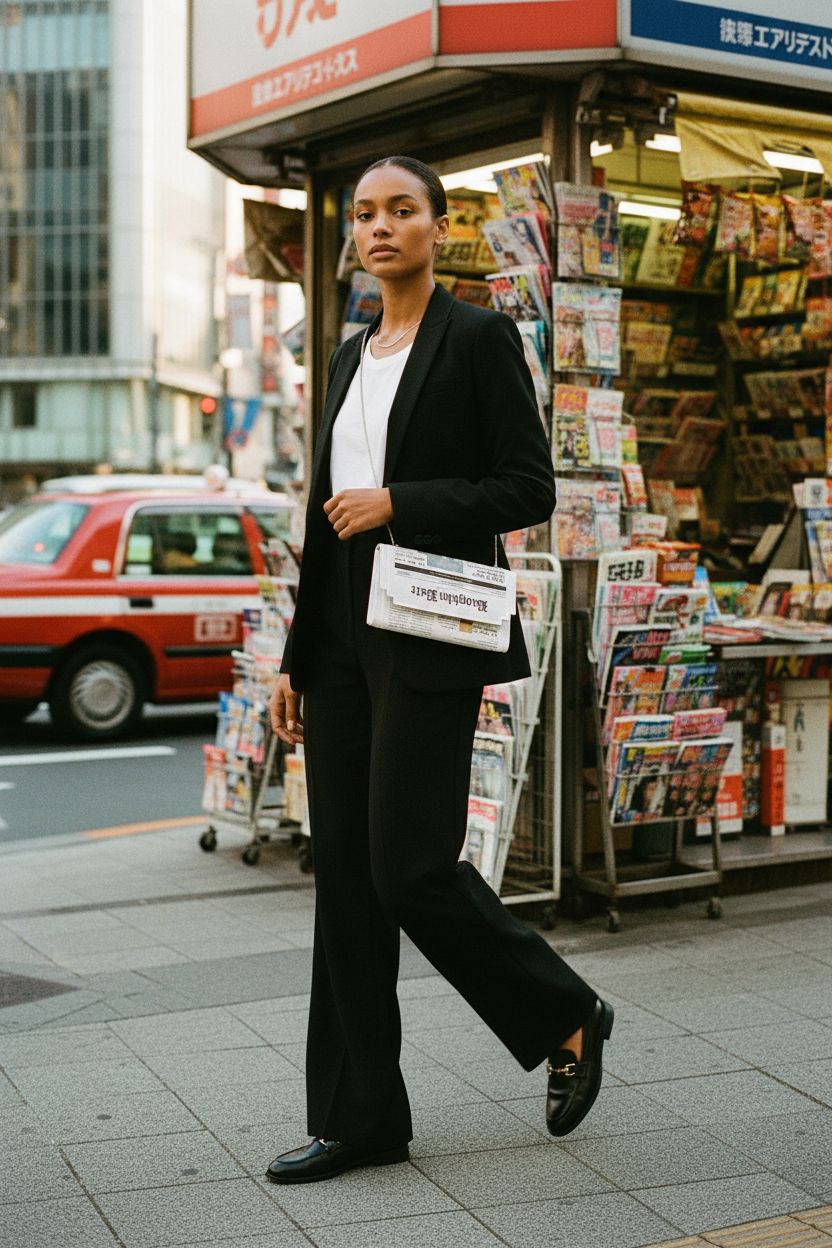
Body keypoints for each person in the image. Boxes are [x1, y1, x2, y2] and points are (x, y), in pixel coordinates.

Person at [266, 155, 613, 1185]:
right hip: (337, 642)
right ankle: (359, 1114)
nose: (379, 228)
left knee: (408, 865)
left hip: (427, 631)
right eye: (364, 214)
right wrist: (291, 660)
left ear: (435, 226)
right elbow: (321, 523)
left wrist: (398, 502)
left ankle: (564, 1013)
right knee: (347, 888)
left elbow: (525, 485)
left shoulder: (475, 337)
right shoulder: (344, 354)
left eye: (400, 211)